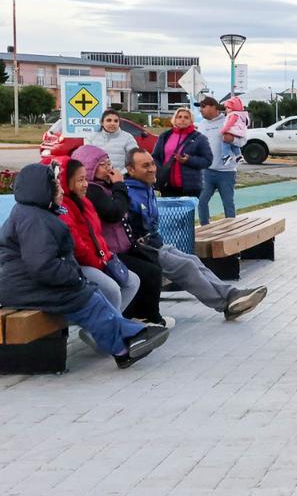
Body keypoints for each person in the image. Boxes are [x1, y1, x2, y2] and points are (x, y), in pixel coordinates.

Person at [0, 163, 169, 368]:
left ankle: (129, 338)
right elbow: (42, 265)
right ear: (42, 190)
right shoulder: (34, 219)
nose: (61, 190)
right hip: (23, 287)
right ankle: (123, 347)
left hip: (28, 282)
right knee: (86, 299)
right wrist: (74, 277)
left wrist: (75, 277)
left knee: (92, 294)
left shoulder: (36, 213)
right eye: (56, 186)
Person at [122, 147, 268, 320]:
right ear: (131, 170)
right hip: (143, 249)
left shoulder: (145, 186)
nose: (152, 168)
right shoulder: (128, 193)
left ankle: (232, 295)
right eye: (145, 166)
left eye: (152, 164)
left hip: (155, 242)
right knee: (186, 266)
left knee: (192, 259)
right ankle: (226, 304)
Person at [75, 144, 166, 326]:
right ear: (89, 167)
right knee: (147, 273)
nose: (109, 168)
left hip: (123, 246)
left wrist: (116, 186)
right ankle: (143, 317)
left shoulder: (103, 186)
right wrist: (119, 185)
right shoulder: (93, 190)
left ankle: (142, 314)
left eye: (109, 162)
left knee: (152, 265)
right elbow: (114, 212)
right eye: (102, 164)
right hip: (109, 251)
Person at [57, 158, 141, 315]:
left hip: (98, 259)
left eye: (85, 179)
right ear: (65, 182)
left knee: (132, 281)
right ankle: (110, 329)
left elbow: (97, 235)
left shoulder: (84, 202)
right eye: (80, 180)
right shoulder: (63, 208)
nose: (85, 184)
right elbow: (76, 244)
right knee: (112, 289)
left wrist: (107, 256)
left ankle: (110, 324)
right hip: (79, 264)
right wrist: (99, 262)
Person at [194, 97, 239, 225]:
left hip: (226, 172)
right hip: (207, 171)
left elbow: (242, 141)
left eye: (203, 107)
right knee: (202, 201)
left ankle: (231, 230)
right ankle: (205, 228)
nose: (200, 110)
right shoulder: (201, 125)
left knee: (228, 203)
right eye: (200, 107)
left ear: (213, 107)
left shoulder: (227, 122)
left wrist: (233, 140)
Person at [153, 107, 212, 199]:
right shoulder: (164, 136)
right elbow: (155, 157)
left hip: (190, 187)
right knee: (169, 212)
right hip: (166, 185)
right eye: (179, 117)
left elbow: (208, 160)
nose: (182, 119)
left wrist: (189, 160)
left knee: (187, 213)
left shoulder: (199, 138)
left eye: (186, 117)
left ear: (191, 121)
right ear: (174, 120)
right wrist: (160, 169)